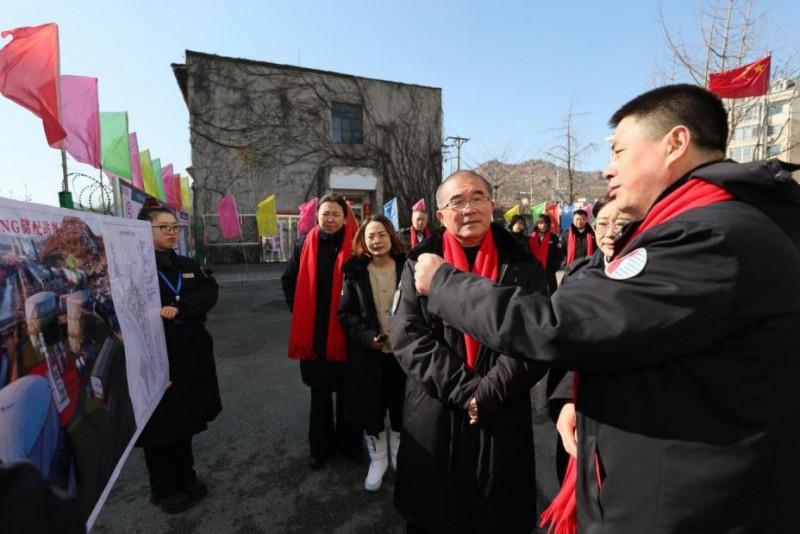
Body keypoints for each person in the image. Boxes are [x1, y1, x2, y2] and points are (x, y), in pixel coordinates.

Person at [412, 84, 800, 532]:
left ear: (675, 143)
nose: (607, 168)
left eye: (618, 151)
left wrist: (443, 283)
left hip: (684, 506)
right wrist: (576, 399)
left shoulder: (708, 237)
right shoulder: (707, 225)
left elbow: (559, 325)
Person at [390, 170, 548, 534]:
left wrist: (488, 392)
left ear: (492, 206)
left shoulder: (523, 263)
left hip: (501, 405)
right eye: (457, 202)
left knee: (498, 513)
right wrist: (466, 391)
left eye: (478, 198)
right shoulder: (419, 262)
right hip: (436, 406)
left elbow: (537, 336)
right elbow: (407, 335)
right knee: (434, 514)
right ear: (441, 215)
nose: (469, 209)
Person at [135, 205, 221, 514]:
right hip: (156, 354)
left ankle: (187, 476)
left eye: (175, 227)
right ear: (145, 230)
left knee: (185, 418)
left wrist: (180, 307)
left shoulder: (186, 263)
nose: (172, 232)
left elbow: (209, 290)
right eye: (164, 227)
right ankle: (164, 487)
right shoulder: (136, 269)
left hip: (190, 353)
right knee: (160, 424)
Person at [547, 196, 630, 482]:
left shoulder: (652, 276)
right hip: (576, 399)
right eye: (603, 224)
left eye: (621, 224)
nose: (610, 233)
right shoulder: (578, 274)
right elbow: (561, 341)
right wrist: (565, 398)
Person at [281, 193, 362, 471]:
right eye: (325, 213)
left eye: (336, 214)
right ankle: (320, 448)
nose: (330, 219)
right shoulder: (304, 243)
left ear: (345, 218)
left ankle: (349, 445)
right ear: (317, 216)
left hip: (347, 332)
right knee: (320, 394)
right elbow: (288, 279)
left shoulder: (357, 245)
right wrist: (299, 310)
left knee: (348, 392)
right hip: (314, 333)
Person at [338, 215, 407, 492]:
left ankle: (399, 456)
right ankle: (378, 460)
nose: (377, 241)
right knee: (372, 409)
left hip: (404, 355)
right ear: (363, 242)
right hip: (370, 355)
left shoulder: (409, 267)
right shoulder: (354, 271)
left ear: (391, 237)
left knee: (402, 408)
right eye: (370, 237)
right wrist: (367, 338)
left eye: (381, 234)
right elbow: (346, 313)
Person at [528, 214, 562, 295]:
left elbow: (559, 254)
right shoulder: (531, 238)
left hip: (549, 270)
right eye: (541, 223)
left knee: (552, 292)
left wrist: (554, 267)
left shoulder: (553, 237)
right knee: (536, 292)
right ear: (537, 224)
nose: (543, 226)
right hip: (535, 271)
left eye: (545, 223)